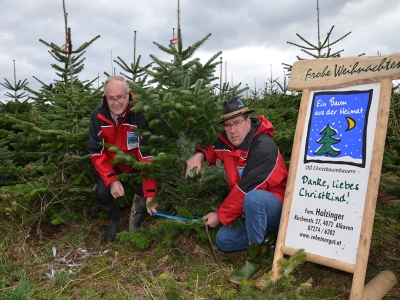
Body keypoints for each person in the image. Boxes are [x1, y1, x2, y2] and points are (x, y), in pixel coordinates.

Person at [185, 97, 288, 284]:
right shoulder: (228, 143)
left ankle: (253, 261)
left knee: (253, 198)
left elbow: (246, 189)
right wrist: (199, 155)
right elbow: (213, 150)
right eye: (227, 125)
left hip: (276, 208)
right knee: (224, 241)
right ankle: (269, 239)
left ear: (248, 121)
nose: (232, 130)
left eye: (237, 123)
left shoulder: (264, 147)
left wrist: (220, 215)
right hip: (249, 210)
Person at [88, 75, 158, 243]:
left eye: (120, 97)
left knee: (145, 187)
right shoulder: (98, 116)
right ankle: (114, 220)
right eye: (111, 98)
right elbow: (96, 152)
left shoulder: (139, 114)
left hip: (136, 160)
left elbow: (146, 154)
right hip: (112, 163)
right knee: (101, 192)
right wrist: (112, 180)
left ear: (128, 95)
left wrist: (151, 194)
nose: (116, 102)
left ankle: (135, 225)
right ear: (105, 97)